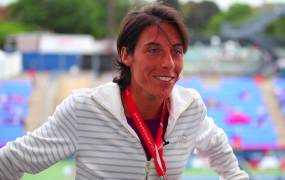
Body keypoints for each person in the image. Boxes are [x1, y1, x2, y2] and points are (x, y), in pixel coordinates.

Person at [0, 3, 249, 180]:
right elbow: (10, 162)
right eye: (154, 50)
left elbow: (218, 147)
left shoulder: (190, 107)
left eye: (177, 51)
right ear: (126, 55)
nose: (169, 64)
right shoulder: (85, 109)